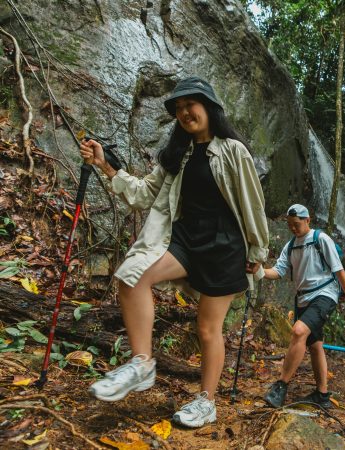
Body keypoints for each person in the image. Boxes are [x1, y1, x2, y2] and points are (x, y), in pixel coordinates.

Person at [79, 77, 269, 428]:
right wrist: (106, 166)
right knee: (132, 276)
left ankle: (206, 402)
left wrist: (257, 251)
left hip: (224, 246)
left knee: (208, 329)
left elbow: (252, 204)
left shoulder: (232, 150)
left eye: (189, 105)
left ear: (209, 107)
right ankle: (142, 364)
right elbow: (141, 194)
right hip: (183, 239)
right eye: (178, 108)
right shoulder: (177, 155)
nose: (184, 113)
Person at [259, 204, 345, 408]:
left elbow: (338, 270)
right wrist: (258, 271)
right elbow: (278, 271)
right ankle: (322, 395)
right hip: (303, 299)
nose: (293, 228)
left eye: (296, 224)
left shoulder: (320, 239)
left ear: (307, 220)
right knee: (315, 345)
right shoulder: (290, 246)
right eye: (290, 225)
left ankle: (280, 387)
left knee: (299, 331)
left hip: (325, 294)